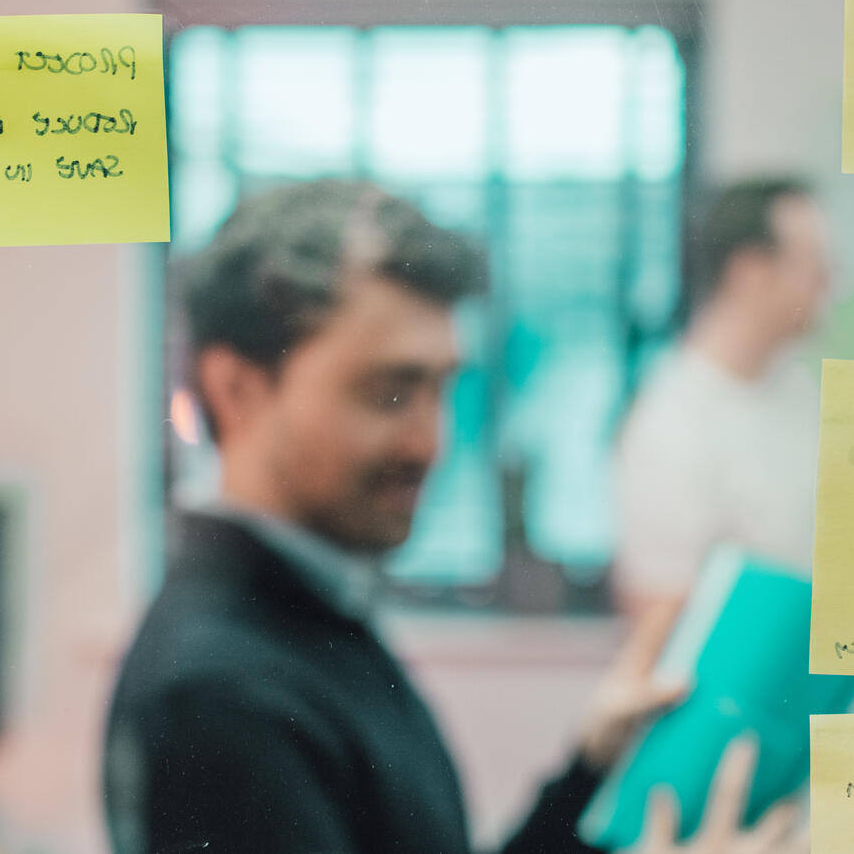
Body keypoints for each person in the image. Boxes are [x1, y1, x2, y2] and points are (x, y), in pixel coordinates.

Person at [104, 180, 805, 854]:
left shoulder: (309, 616)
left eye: (441, 388)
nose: (430, 441)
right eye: (388, 393)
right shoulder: (216, 695)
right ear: (237, 389)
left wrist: (592, 766)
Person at [612, 178, 836, 616]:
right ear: (751, 273)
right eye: (816, 267)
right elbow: (662, 626)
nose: (829, 285)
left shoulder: (798, 390)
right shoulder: (670, 424)